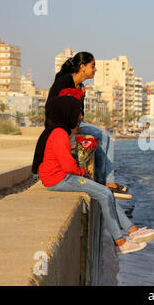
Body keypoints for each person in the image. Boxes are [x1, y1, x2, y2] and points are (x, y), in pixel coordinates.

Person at [32, 96, 154, 254]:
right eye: (78, 117)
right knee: (104, 193)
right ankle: (120, 242)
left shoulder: (61, 131)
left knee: (104, 194)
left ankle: (132, 230)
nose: (80, 121)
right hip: (59, 179)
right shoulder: (59, 134)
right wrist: (82, 173)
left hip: (62, 177)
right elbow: (67, 165)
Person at [46, 51, 128, 197]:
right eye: (93, 66)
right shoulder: (64, 81)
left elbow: (80, 113)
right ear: (83, 67)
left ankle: (107, 181)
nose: (95, 69)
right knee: (101, 135)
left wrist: (77, 121)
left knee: (106, 137)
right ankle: (104, 182)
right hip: (60, 126)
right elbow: (52, 108)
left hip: (74, 124)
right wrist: (71, 128)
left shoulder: (81, 87)